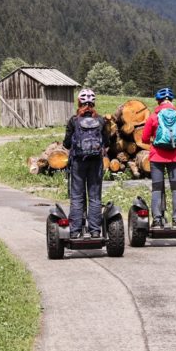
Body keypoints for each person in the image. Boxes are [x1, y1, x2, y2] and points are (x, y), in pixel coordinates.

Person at [62, 88, 111, 238]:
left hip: (78, 162)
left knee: (77, 196)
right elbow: (107, 143)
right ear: (93, 103)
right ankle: (95, 231)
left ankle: (75, 231)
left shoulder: (73, 120)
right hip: (96, 163)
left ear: (79, 102)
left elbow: (67, 143)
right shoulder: (101, 120)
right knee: (95, 197)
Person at [141, 87, 176, 228]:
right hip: (175, 157)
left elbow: (143, 138)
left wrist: (153, 140)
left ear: (158, 101)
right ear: (171, 101)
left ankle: (156, 220)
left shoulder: (154, 116)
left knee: (156, 189)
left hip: (157, 157)